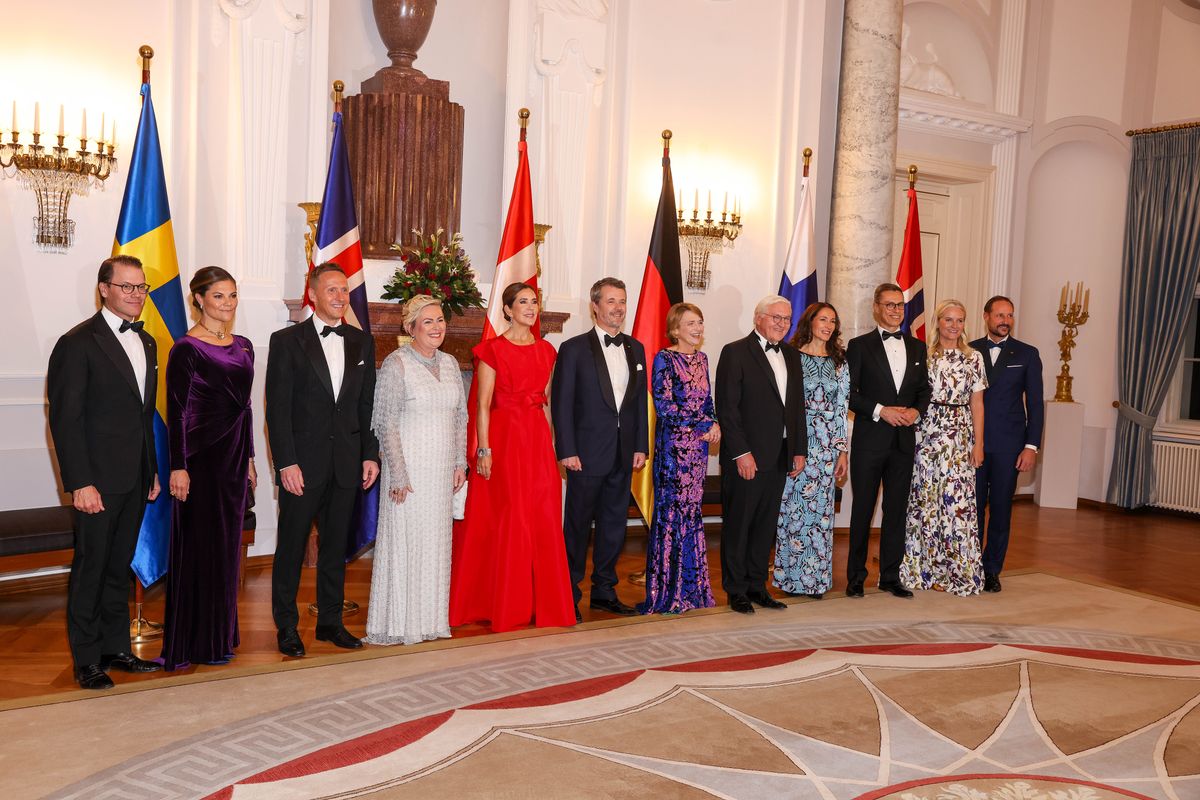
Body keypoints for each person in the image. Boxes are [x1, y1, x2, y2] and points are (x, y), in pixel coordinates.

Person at [47, 255, 164, 689]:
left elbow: (143, 416)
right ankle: (86, 658)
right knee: (92, 568)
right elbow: (65, 420)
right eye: (127, 287)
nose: (136, 295)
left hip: (135, 477)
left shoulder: (148, 342)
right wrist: (79, 482)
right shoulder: (77, 343)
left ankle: (116, 649)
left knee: (119, 567)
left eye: (142, 287)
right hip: (95, 481)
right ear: (104, 289)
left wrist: (151, 469)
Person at [265, 263, 380, 657]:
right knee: (291, 549)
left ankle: (331, 623)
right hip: (302, 466)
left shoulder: (362, 343)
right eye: (332, 290)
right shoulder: (286, 341)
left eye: (344, 290)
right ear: (313, 295)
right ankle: (286, 627)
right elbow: (276, 411)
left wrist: (370, 455)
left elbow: (367, 407)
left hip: (347, 463)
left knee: (335, 548)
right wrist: (286, 464)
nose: (340, 297)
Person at [450, 282, 575, 632]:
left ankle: (541, 604)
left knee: (542, 518)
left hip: (535, 441)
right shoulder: (492, 349)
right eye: (523, 302)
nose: (531, 307)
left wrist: (551, 447)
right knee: (510, 518)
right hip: (504, 440)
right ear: (507, 309)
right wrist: (483, 449)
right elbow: (482, 404)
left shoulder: (548, 352)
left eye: (534, 301)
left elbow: (547, 403)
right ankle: (505, 605)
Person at [160, 267, 256, 670]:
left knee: (225, 551)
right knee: (198, 548)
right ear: (198, 299)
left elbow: (246, 406)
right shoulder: (186, 349)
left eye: (232, 296)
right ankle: (193, 641)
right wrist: (178, 467)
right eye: (219, 296)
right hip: (199, 459)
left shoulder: (246, 345)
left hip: (233, 459)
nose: (228, 304)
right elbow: (177, 412)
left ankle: (220, 637)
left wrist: (250, 456)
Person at [364, 297, 467, 645]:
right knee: (408, 545)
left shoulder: (452, 364)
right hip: (408, 472)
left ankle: (430, 621)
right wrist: (399, 473)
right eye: (428, 322)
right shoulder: (396, 364)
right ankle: (399, 623)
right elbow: (386, 423)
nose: (437, 327)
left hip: (441, 473)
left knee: (435, 545)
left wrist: (459, 463)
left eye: (440, 320)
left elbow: (460, 418)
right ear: (410, 328)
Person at [551, 278, 649, 620]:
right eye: (611, 301)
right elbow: (562, 404)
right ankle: (568, 593)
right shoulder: (574, 348)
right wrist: (566, 449)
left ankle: (604, 591)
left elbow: (638, 405)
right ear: (595, 306)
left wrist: (641, 445)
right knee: (577, 527)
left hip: (624, 454)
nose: (618, 307)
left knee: (613, 527)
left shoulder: (637, 349)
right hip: (585, 454)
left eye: (622, 301)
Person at [715, 295, 807, 614]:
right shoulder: (735, 352)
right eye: (775, 317)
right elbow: (727, 408)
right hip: (747, 457)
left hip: (780, 455)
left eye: (787, 319)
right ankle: (736, 589)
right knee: (739, 524)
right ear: (758, 318)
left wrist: (798, 449)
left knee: (766, 526)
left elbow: (796, 408)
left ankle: (757, 586)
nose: (782, 323)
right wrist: (741, 452)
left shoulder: (793, 356)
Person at [845, 283, 931, 599]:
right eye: (890, 305)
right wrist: (882, 411)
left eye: (900, 305)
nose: (896, 310)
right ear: (877, 307)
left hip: (903, 443)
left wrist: (914, 412)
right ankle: (855, 578)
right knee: (863, 511)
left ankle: (890, 577)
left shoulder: (918, 347)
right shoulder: (859, 345)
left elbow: (924, 390)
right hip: (870, 440)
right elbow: (850, 394)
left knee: (896, 511)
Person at [900, 300, 988, 596]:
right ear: (938, 322)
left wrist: (979, 444)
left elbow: (978, 404)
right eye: (948, 320)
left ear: (965, 324)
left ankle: (958, 571)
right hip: (927, 431)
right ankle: (926, 569)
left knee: (956, 502)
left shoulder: (974, 357)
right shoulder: (924, 356)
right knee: (927, 499)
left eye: (959, 320)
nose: (954, 325)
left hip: (960, 434)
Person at [640, 303, 720, 615]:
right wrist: (703, 424)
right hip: (674, 450)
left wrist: (713, 423)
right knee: (673, 516)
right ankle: (668, 592)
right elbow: (664, 407)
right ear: (675, 329)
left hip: (698, 451)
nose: (698, 328)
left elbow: (708, 400)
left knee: (692, 514)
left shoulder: (702, 359)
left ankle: (693, 590)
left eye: (700, 322)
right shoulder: (664, 358)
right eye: (690, 323)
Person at [773, 302, 849, 599]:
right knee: (794, 511)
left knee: (821, 515)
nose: (828, 325)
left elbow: (841, 408)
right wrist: (790, 444)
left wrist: (843, 450)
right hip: (800, 444)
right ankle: (790, 579)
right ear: (810, 322)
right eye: (823, 319)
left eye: (833, 320)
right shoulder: (791, 356)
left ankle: (816, 581)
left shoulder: (839, 361)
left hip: (828, 449)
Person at [971, 296, 1043, 593]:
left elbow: (1036, 404)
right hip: (972, 444)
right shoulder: (969, 350)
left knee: (1000, 510)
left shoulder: (1027, 353)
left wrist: (1031, 446)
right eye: (999, 314)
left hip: (1009, 446)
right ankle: (969, 565)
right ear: (986, 316)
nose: (1005, 320)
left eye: (1010, 315)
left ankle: (991, 571)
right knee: (970, 508)